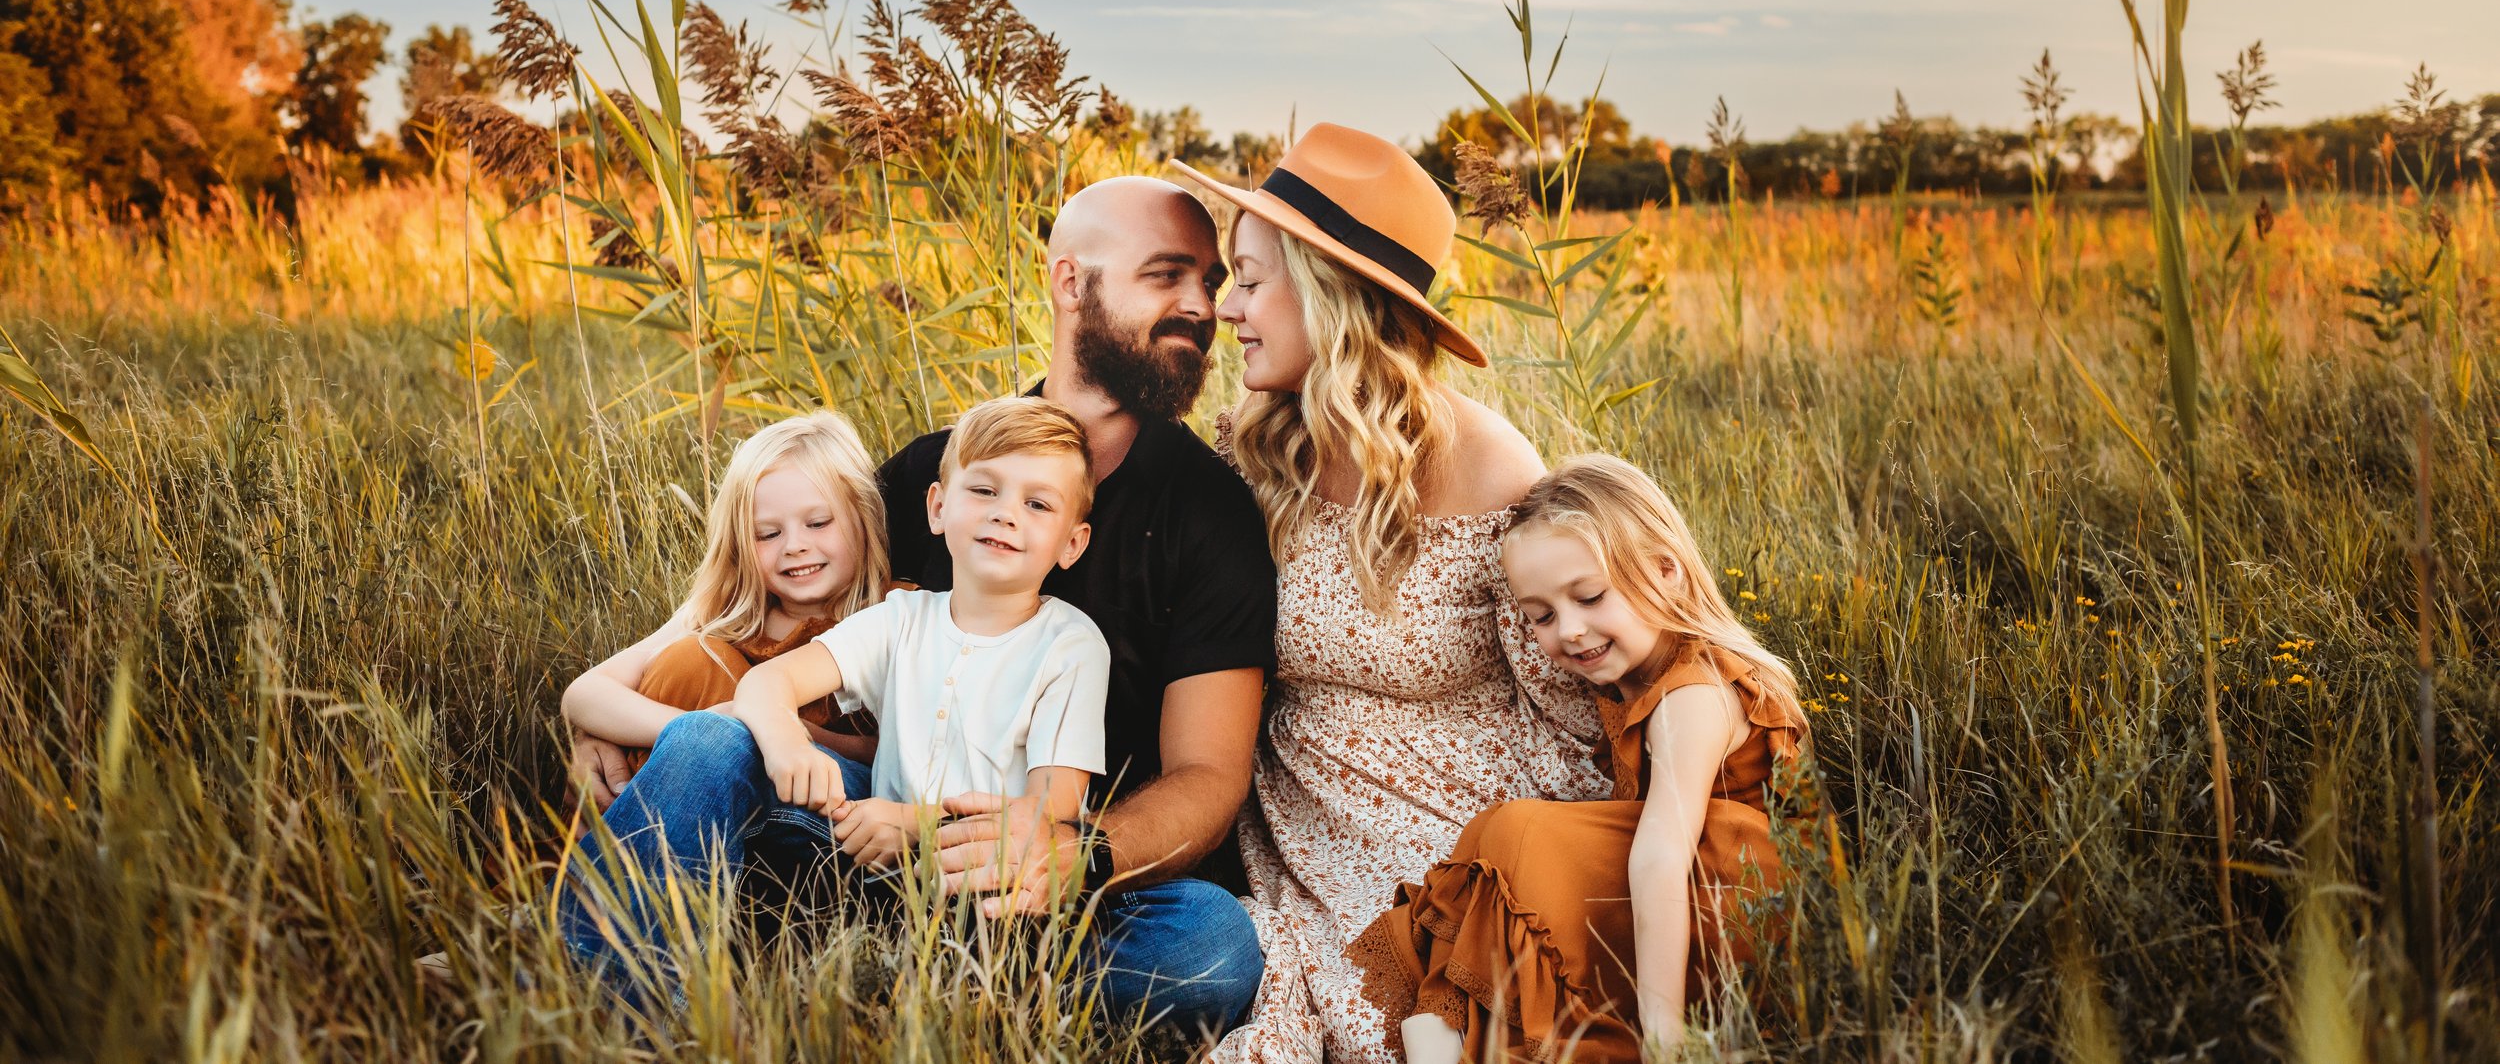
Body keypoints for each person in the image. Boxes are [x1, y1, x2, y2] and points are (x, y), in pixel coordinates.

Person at [562, 175, 1274, 1037]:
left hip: (1049, 878)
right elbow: (733, 609)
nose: (1203, 305)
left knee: (1212, 942)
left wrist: (1073, 855)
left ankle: (858, 966)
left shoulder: (1209, 512)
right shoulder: (937, 471)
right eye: (1168, 275)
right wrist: (617, 704)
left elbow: (1209, 776)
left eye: (1210, 279)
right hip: (865, 830)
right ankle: (605, 998)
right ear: (1069, 282)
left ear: (1073, 536)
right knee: (707, 742)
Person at [1171, 123, 1610, 1064]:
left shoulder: (1489, 466)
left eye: (1250, 279)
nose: (1230, 309)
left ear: (1331, 294)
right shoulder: (1250, 453)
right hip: (1306, 838)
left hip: (1468, 838)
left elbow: (1573, 707)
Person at [1354, 456, 1812, 1064]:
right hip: (1700, 896)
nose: (1569, 630)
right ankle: (1449, 1023)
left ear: (1666, 570)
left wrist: (1663, 1034)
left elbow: (1660, 855)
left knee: (1518, 832)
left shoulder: (1695, 695)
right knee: (1497, 831)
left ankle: (1462, 1031)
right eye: (1541, 616)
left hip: (1741, 912)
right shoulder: (1644, 678)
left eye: (1590, 597)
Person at [735, 397, 1111, 874]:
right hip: (869, 856)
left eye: (1036, 504)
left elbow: (1050, 812)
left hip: (992, 886)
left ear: (1072, 544)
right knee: (710, 737)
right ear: (937, 508)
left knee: (1203, 915)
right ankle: (636, 931)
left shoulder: (1069, 645)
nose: (1005, 514)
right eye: (983, 490)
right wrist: (787, 742)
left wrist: (917, 824)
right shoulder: (903, 619)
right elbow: (768, 682)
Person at [559, 410, 889, 780]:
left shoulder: (893, 613)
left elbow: (897, 748)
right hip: (701, 785)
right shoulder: (728, 611)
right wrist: (710, 728)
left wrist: (784, 726)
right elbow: (583, 694)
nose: (795, 546)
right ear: (739, 543)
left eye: (818, 524)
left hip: (823, 800)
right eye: (767, 534)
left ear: (864, 516)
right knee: (693, 659)